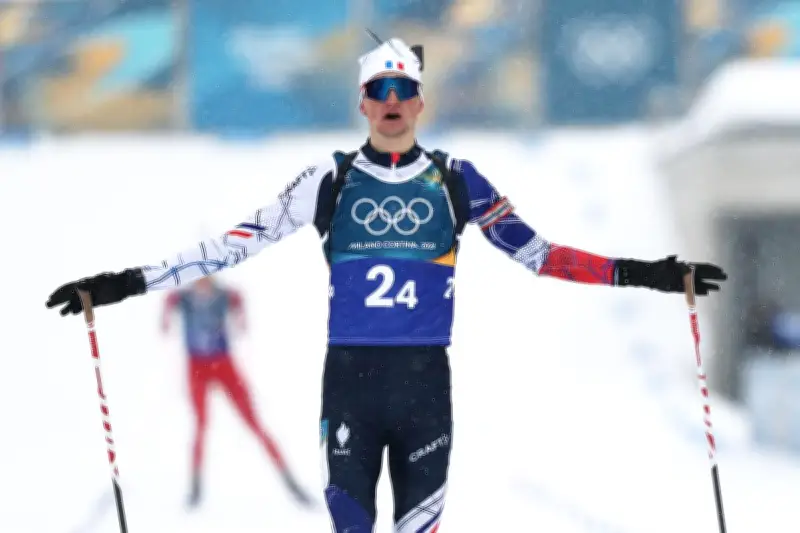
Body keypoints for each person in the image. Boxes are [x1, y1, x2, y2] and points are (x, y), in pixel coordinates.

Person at [46, 38, 727, 532]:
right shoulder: (329, 180)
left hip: (425, 384)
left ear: (421, 101)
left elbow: (540, 255)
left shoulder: (458, 179)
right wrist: (121, 283)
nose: (393, 102)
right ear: (363, 103)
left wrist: (655, 274)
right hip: (351, 383)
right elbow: (229, 247)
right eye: (380, 91)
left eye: (404, 90)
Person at [161, 276, 313, 508]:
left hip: (224, 365)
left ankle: (290, 481)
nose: (202, 285)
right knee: (200, 424)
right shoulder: (185, 297)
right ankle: (195, 487)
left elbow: (238, 299)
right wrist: (165, 320)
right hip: (197, 368)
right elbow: (169, 301)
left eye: (206, 278)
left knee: (254, 422)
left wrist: (242, 319)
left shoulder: (223, 295)